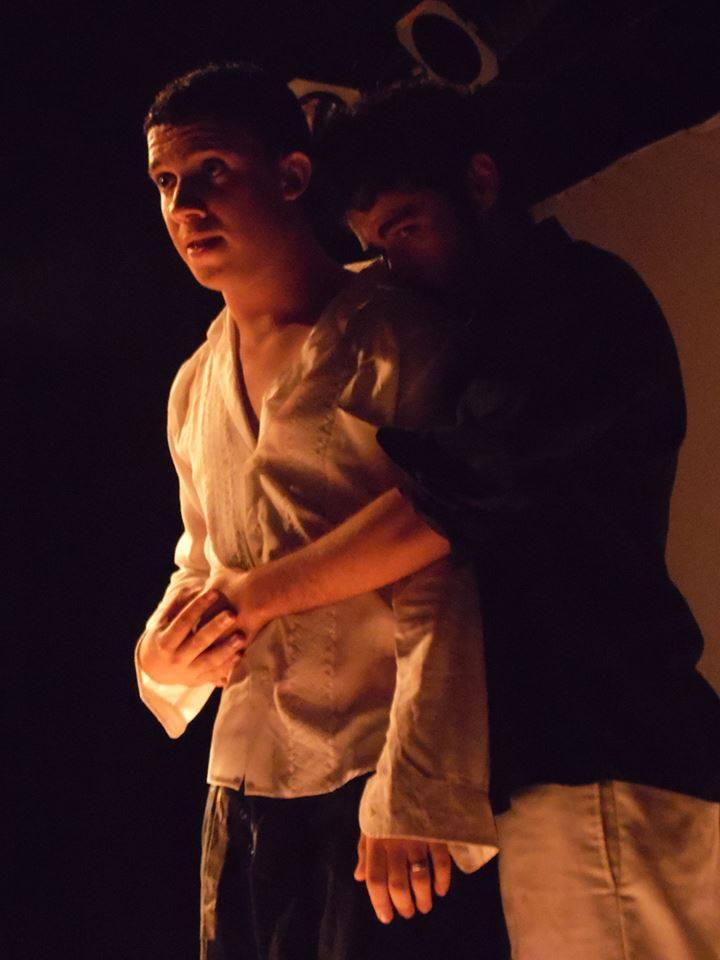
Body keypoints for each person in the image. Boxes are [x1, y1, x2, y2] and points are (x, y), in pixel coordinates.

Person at [213, 81, 720, 959]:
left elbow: (440, 504)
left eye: (408, 228)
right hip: (565, 762)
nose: (393, 265)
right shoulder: (490, 324)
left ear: (480, 180)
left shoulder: (572, 302)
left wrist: (252, 598)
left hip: (604, 749)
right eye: (375, 244)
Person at [135, 64, 508, 960]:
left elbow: (443, 567)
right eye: (166, 182)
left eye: (212, 170)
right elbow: (204, 559)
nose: (186, 205)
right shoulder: (194, 386)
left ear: (291, 175)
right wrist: (161, 658)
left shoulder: (398, 337)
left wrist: (418, 790)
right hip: (244, 781)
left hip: (373, 773)